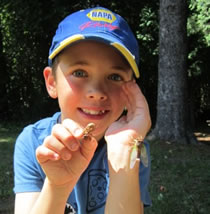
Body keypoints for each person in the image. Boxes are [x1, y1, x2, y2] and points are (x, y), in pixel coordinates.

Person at [13, 6, 152, 214]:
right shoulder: (33, 142)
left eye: (115, 77)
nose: (96, 92)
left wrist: (125, 153)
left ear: (131, 91)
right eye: (79, 72)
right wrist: (57, 186)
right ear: (52, 82)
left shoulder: (132, 146)